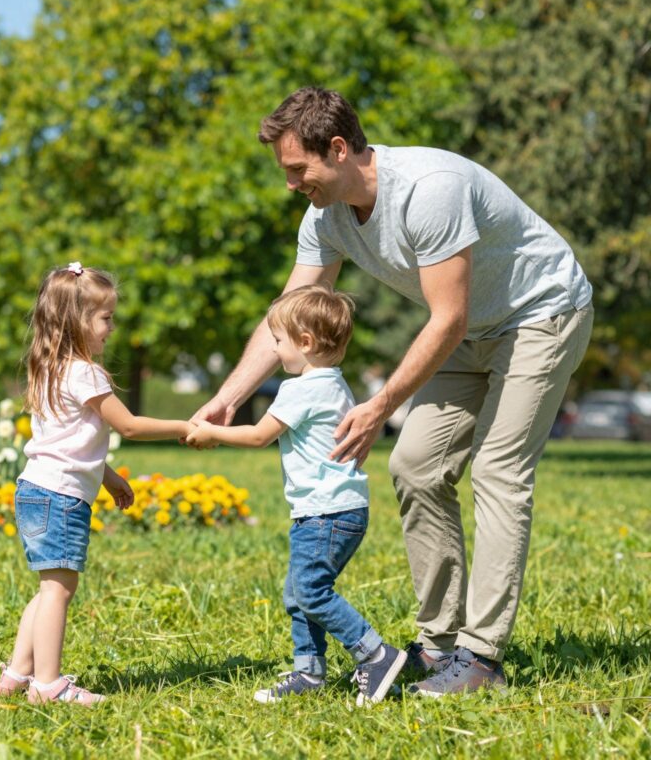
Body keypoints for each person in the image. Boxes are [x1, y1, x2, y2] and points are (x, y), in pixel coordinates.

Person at [195, 87, 593, 697]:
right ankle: (438, 646)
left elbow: (446, 319)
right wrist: (227, 396)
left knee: (496, 470)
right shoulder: (324, 218)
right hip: (470, 329)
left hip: (540, 313)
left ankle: (481, 658)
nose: (290, 184)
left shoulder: (428, 188)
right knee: (414, 465)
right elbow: (286, 315)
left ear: (337, 149)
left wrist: (381, 403)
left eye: (297, 169)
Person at [187, 285, 406, 706]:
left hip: (325, 512)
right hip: (337, 510)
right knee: (299, 590)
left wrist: (213, 432)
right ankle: (309, 671)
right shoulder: (334, 383)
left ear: (305, 343)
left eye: (278, 341)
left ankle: (375, 654)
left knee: (310, 591)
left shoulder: (301, 389)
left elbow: (258, 435)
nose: (275, 349)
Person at [0, 262, 193, 706]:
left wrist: (109, 476)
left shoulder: (49, 368)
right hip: (60, 497)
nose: (112, 328)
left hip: (35, 490)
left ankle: (18, 672)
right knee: (59, 589)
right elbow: (131, 426)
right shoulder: (85, 373)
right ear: (76, 321)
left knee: (49, 586)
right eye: (105, 318)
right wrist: (185, 424)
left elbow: (68, 441)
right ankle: (48, 684)